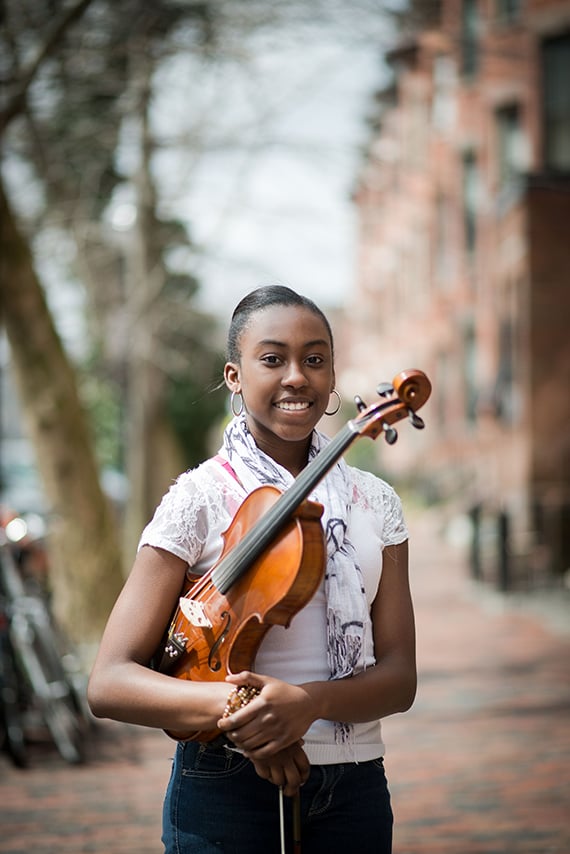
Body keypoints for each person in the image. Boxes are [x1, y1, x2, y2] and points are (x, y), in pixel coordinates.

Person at [88, 284, 417, 854]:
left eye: (315, 359)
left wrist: (310, 704)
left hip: (355, 785)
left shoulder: (376, 502)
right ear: (235, 376)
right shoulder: (200, 497)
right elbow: (110, 682)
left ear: (333, 374)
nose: (296, 376)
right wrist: (250, 716)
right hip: (224, 784)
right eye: (272, 359)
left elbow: (400, 677)